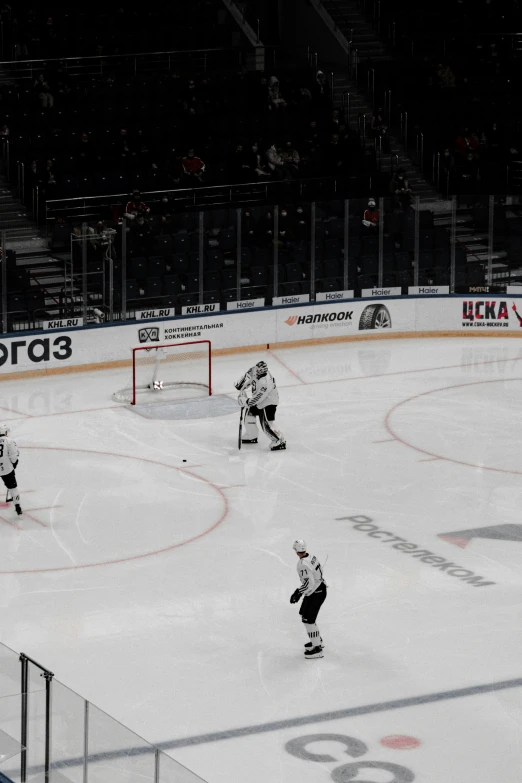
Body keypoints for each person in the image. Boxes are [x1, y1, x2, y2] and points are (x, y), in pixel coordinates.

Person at [235, 361, 286, 451]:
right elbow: (244, 381)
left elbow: (256, 399)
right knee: (249, 415)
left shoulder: (266, 383)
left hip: (268, 403)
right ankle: (251, 435)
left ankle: (280, 440)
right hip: (259, 401)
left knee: (266, 425)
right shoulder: (254, 370)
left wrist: (245, 401)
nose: (256, 373)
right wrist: (241, 386)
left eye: (258, 372)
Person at [290, 540, 327, 658]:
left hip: (316, 592)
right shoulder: (311, 556)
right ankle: (317, 639)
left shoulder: (302, 564)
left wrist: (298, 592)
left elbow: (309, 583)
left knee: (308, 620)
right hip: (318, 589)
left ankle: (317, 649)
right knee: (304, 614)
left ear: (296, 551)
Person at [0, 425, 22, 515]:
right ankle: (18, 507)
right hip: (7, 469)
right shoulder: (9, 441)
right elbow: (13, 456)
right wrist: (14, 464)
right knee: (13, 487)